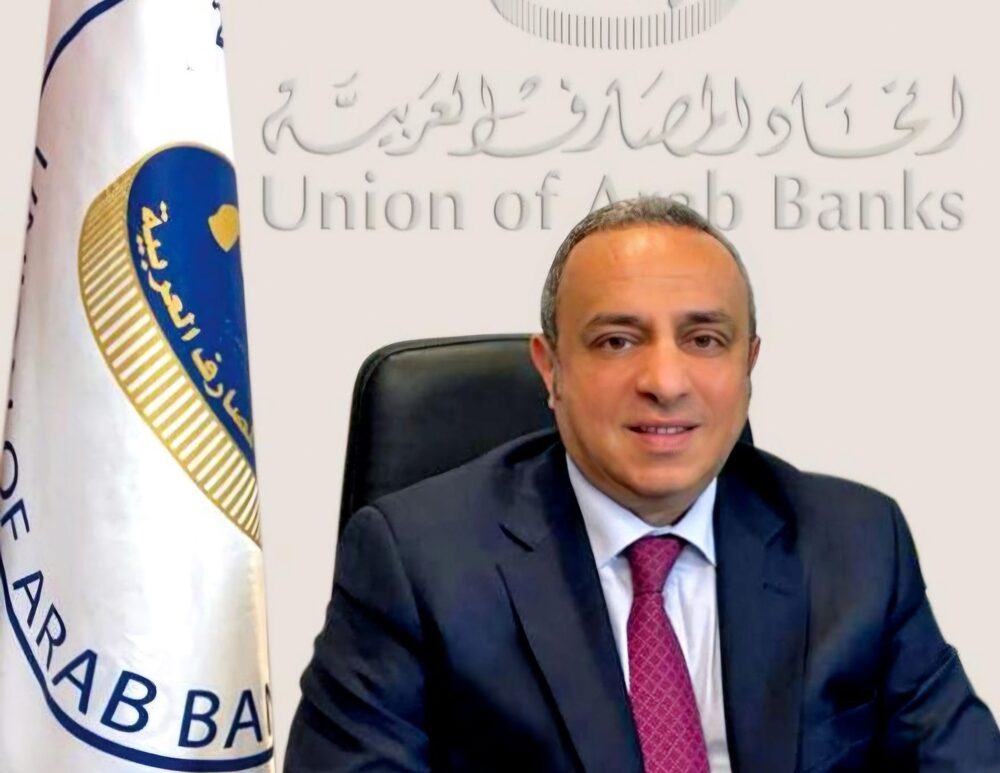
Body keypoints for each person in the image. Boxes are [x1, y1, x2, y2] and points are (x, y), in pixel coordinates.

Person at [284, 197, 1000, 772]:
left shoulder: (858, 544)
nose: (664, 381)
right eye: (617, 341)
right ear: (550, 369)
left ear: (748, 366)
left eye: (705, 339)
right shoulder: (416, 566)